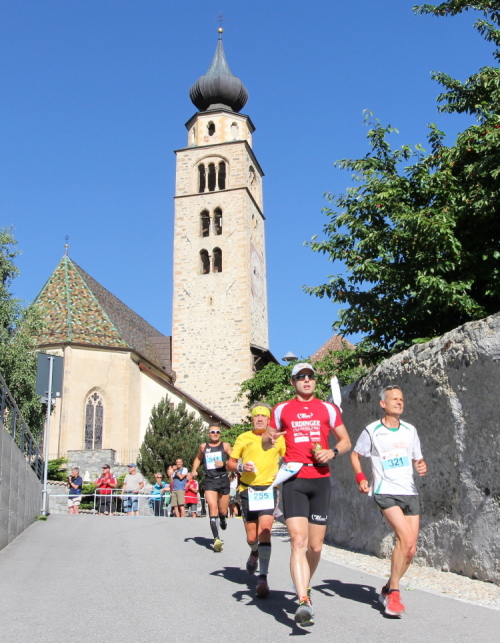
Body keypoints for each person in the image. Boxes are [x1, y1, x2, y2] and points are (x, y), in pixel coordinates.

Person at [264, 363, 351, 626]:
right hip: (294, 479)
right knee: (298, 541)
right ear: (293, 382)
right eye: (301, 377)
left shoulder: (328, 409)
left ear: (315, 381)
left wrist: (332, 452)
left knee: (315, 546)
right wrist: (270, 439)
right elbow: (266, 440)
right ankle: (303, 601)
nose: (306, 380)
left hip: (320, 480)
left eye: (310, 376)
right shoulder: (282, 409)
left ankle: (305, 583)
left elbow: (346, 441)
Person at [350, 384, 427, 618]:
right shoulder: (372, 430)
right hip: (385, 491)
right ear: (383, 404)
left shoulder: (410, 430)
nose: (399, 402)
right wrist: (361, 477)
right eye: (394, 399)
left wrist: (420, 465)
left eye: (401, 399)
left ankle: (387, 588)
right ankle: (394, 593)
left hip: (409, 491)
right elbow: (355, 455)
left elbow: (417, 458)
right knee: (405, 539)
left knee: (411, 549)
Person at [227, 403, 286, 598]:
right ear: (252, 419)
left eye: (263, 416)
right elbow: (230, 463)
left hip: (269, 490)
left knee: (265, 531)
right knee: (252, 537)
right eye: (256, 416)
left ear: (269, 420)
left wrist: (284, 473)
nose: (260, 419)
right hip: (247, 490)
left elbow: (289, 458)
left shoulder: (278, 438)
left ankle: (263, 578)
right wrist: (241, 467)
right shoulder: (243, 438)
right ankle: (254, 552)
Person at [191, 425, 232, 552]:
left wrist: (224, 464)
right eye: (212, 432)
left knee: (223, 510)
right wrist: (194, 470)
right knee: (213, 507)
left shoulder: (225, 446)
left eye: (217, 432)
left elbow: (234, 461)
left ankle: (223, 518)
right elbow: (198, 458)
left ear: (220, 434)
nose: (215, 434)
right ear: (208, 434)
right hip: (209, 480)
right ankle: (216, 539)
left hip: (223, 479)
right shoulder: (203, 447)